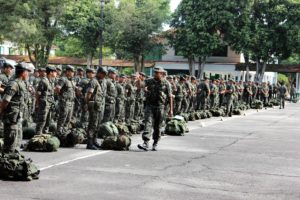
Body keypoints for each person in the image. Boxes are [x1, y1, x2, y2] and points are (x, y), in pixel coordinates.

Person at [138, 67, 173, 151]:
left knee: (158, 126)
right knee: (148, 123)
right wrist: (138, 79)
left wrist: (171, 110)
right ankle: (146, 142)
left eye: (157, 72)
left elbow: (170, 96)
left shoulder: (166, 83)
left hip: (160, 107)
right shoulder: (150, 81)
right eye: (155, 72)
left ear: (161, 73)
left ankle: (155, 143)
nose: (156, 74)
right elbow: (141, 85)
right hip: (150, 106)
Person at [0, 63, 31, 153]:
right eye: (27, 72)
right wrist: (1, 112)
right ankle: (6, 163)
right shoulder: (14, 84)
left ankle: (14, 159)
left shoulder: (21, 83)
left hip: (17, 117)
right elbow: (5, 101)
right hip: (11, 118)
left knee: (16, 141)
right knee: (10, 143)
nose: (28, 74)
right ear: (23, 73)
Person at [86, 67, 107, 150]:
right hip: (93, 107)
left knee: (97, 125)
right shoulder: (93, 81)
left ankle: (94, 141)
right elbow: (89, 94)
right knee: (92, 125)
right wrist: (87, 103)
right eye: (103, 74)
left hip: (99, 107)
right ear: (99, 73)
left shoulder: (101, 82)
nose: (104, 76)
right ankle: (90, 143)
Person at [35, 66, 57, 135]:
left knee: (48, 120)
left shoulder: (51, 81)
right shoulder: (43, 81)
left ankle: (45, 133)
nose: (56, 73)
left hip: (49, 103)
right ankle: (38, 134)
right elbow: (38, 93)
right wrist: (38, 103)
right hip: (44, 104)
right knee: (42, 120)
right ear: (50, 72)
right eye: (54, 72)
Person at [55, 65, 76, 135]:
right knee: (62, 119)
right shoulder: (63, 79)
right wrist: (61, 98)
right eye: (72, 72)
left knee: (68, 119)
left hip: (71, 102)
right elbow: (57, 89)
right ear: (67, 72)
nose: (73, 73)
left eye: (73, 72)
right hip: (65, 102)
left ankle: (64, 132)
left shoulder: (71, 81)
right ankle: (59, 133)